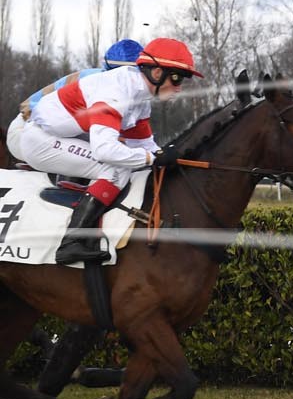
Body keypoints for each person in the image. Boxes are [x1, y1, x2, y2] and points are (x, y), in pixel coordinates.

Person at [6, 37, 202, 264]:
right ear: (157, 73)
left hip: (59, 136)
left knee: (126, 164)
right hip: (41, 141)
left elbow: (143, 143)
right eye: (177, 79)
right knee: (116, 168)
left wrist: (169, 157)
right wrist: (151, 158)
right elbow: (105, 151)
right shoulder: (116, 92)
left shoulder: (140, 97)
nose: (179, 88)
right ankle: (71, 242)